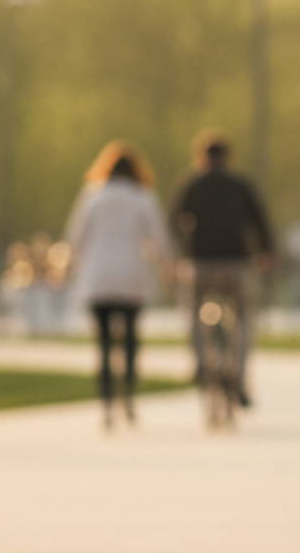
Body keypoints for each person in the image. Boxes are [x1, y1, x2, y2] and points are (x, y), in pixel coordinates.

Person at [64, 142, 172, 431]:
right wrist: (166, 266)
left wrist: (69, 266)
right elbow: (159, 239)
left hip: (98, 278)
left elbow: (75, 237)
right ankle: (129, 396)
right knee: (130, 341)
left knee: (103, 345)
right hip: (131, 277)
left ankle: (106, 404)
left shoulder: (92, 197)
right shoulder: (143, 197)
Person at [171, 130, 275, 407]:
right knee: (243, 319)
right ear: (227, 158)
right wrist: (266, 253)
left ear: (201, 157)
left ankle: (201, 363)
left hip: (200, 262)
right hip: (236, 262)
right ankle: (237, 376)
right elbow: (260, 221)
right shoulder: (241, 185)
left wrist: (178, 256)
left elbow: (174, 222)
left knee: (192, 312)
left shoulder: (191, 184)